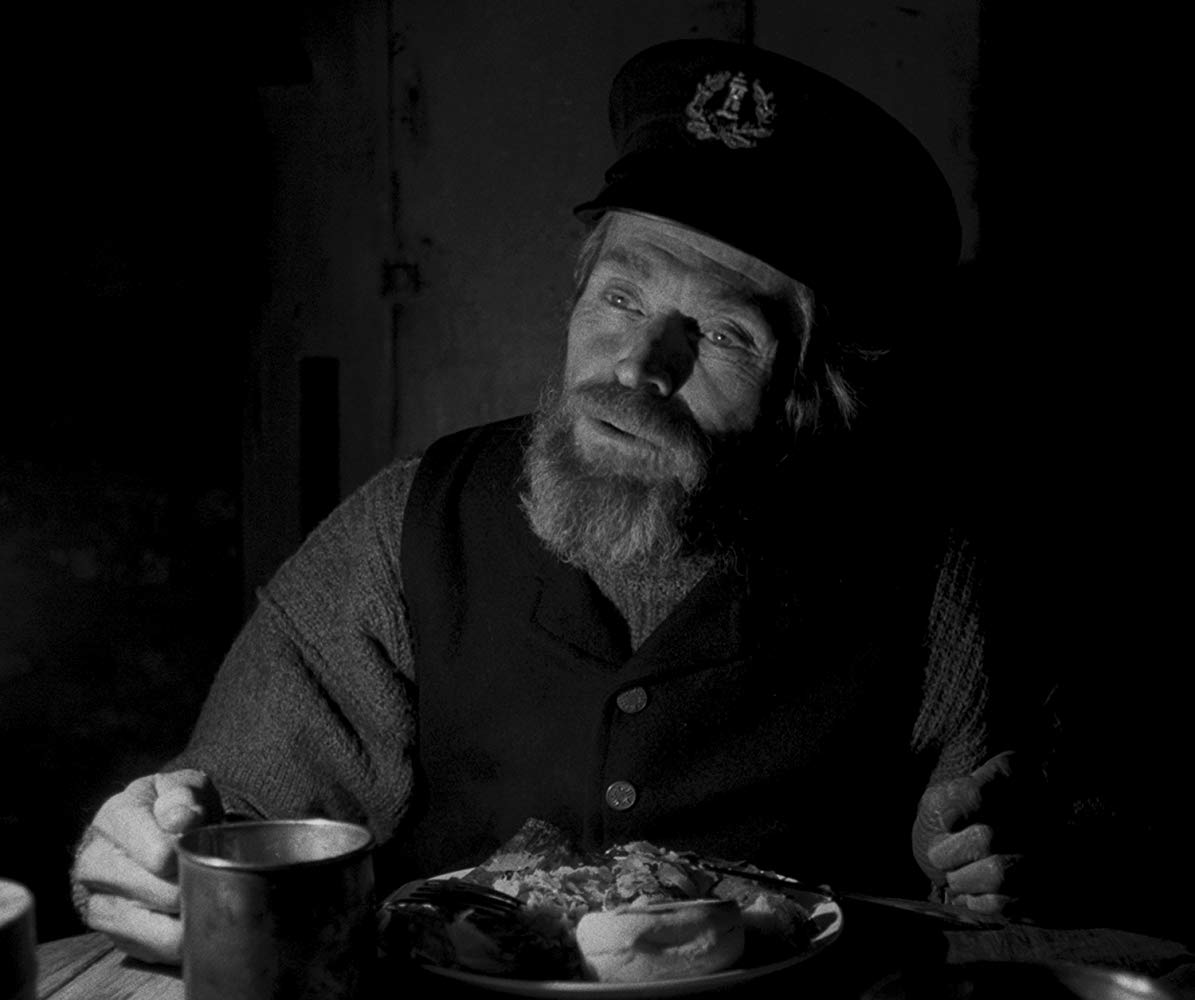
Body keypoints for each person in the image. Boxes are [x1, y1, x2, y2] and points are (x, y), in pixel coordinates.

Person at [70, 38, 1048, 965]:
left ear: (808, 394)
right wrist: (150, 858)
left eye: (721, 335)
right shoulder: (405, 529)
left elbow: (1021, 848)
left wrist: (999, 858)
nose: (638, 366)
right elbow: (231, 822)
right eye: (620, 298)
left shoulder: (922, 570)